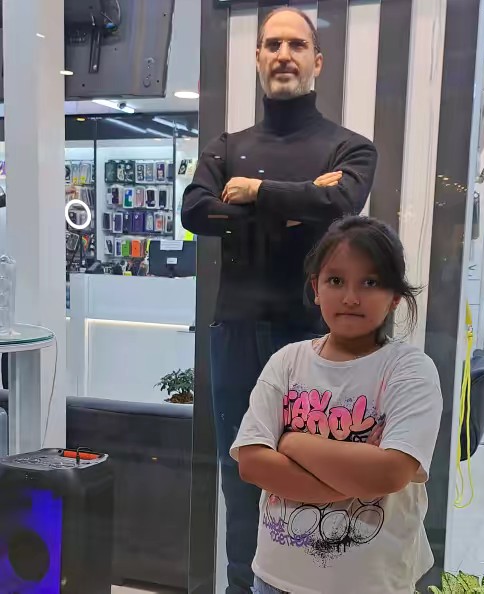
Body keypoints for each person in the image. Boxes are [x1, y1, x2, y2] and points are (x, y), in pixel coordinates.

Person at [181, 7, 377, 593]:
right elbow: (195, 211)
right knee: (240, 474)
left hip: (319, 339)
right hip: (236, 331)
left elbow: (341, 204)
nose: (284, 55)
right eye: (273, 44)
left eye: (296, 44)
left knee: (316, 473)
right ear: (258, 57)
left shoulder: (351, 147)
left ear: (318, 60)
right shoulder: (227, 146)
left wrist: (256, 191)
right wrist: (298, 200)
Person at [231, 216, 443, 594]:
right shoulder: (288, 361)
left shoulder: (409, 370)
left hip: (369, 585)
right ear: (316, 287)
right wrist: (352, 479)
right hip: (275, 579)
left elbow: (391, 473)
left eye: (370, 282)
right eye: (336, 281)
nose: (350, 298)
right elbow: (251, 463)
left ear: (395, 296)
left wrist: (292, 442)